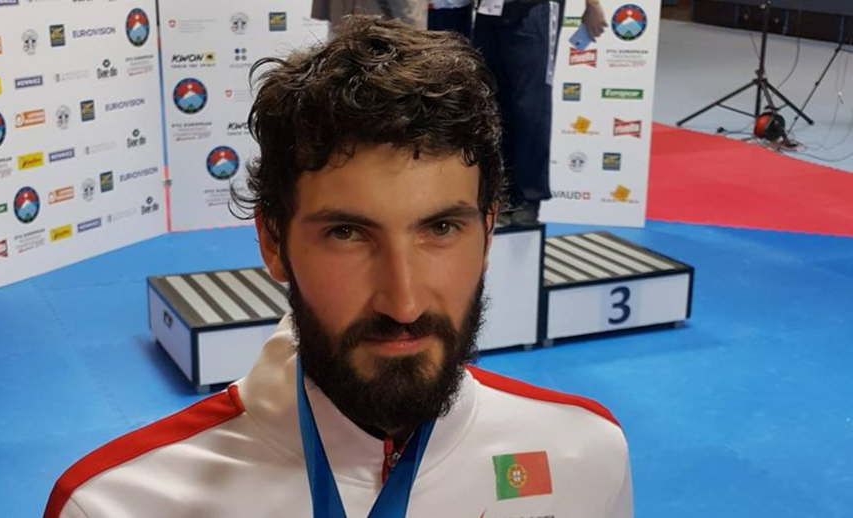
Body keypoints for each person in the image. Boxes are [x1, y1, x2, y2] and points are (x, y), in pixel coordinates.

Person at [43, 16, 631, 518]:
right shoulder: (115, 506)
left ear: (488, 233)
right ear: (273, 241)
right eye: (347, 234)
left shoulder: (586, 458)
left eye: (441, 229)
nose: (403, 303)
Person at [475, 0, 608, 226]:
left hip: (533, 11)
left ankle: (528, 197)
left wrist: (592, 5)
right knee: (491, 103)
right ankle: (500, 191)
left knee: (530, 106)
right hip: (489, 11)